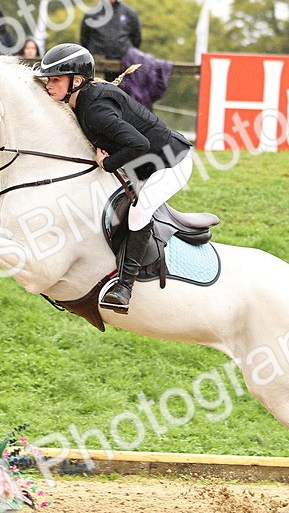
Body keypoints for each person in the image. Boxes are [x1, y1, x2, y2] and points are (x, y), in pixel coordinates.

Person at [33, 43, 192, 315]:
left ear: (77, 81)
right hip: (146, 162)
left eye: (55, 79)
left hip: (171, 163)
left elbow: (139, 144)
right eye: (48, 79)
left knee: (140, 212)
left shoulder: (95, 109)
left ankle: (124, 288)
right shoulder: (82, 100)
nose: (49, 85)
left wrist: (107, 163)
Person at [80, 0, 142, 79]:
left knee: (122, 90)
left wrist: (128, 54)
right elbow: (84, 38)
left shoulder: (130, 14)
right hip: (97, 62)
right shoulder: (91, 14)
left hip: (124, 61)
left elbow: (136, 38)